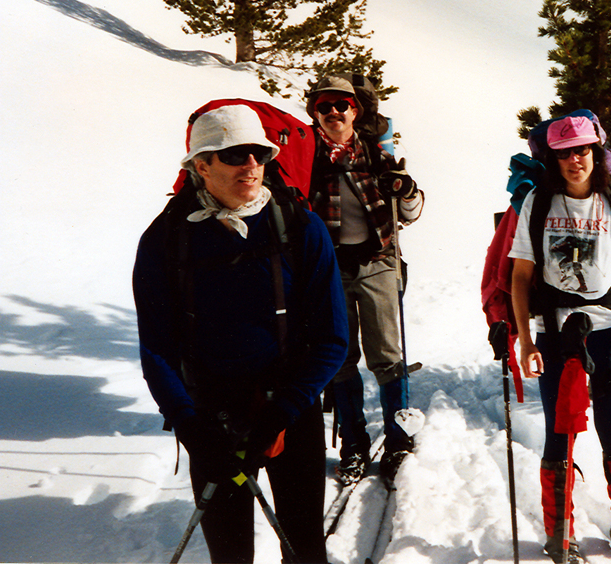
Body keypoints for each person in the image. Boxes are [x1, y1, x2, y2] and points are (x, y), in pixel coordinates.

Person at [134, 104, 348, 563]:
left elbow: (332, 339)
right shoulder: (166, 239)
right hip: (212, 418)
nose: (251, 166)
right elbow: (157, 349)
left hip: (288, 413)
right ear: (201, 165)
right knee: (230, 555)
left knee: (305, 547)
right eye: (235, 155)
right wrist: (192, 428)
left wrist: (282, 413)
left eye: (259, 153)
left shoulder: (299, 227)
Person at [509, 114, 611, 564]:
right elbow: (520, 276)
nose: (575, 161)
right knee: (560, 431)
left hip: (610, 331)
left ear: (596, 152)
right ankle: (559, 533)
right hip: (554, 331)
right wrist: (525, 341)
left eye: (583, 151)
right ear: (553, 158)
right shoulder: (538, 202)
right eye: (566, 153)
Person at [306, 74, 425, 484]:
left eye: (342, 104)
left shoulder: (379, 155)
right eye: (325, 106)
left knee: (387, 358)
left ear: (356, 110)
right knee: (340, 360)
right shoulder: (306, 160)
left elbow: (410, 212)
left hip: (378, 262)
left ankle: (398, 442)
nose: (334, 112)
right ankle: (354, 445)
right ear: (315, 113)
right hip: (330, 269)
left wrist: (406, 190)